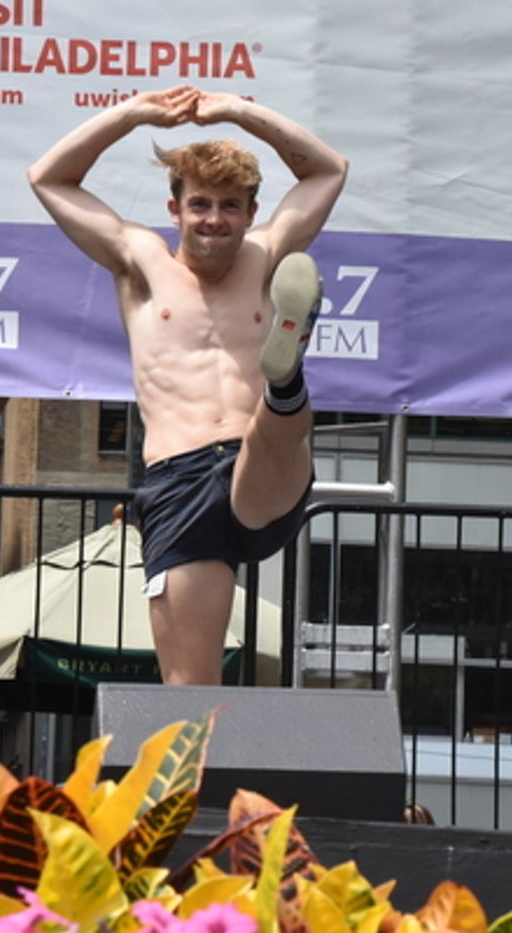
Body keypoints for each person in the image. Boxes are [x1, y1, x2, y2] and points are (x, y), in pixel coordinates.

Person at [28, 86, 347, 685]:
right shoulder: (140, 261)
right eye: (200, 204)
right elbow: (49, 179)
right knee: (190, 685)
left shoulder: (268, 252)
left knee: (274, 428)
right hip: (178, 481)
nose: (214, 220)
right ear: (174, 209)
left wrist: (240, 112)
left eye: (231, 206)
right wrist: (132, 114)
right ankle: (197, 780)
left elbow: (329, 170)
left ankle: (284, 378)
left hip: (261, 469)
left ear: (251, 213)